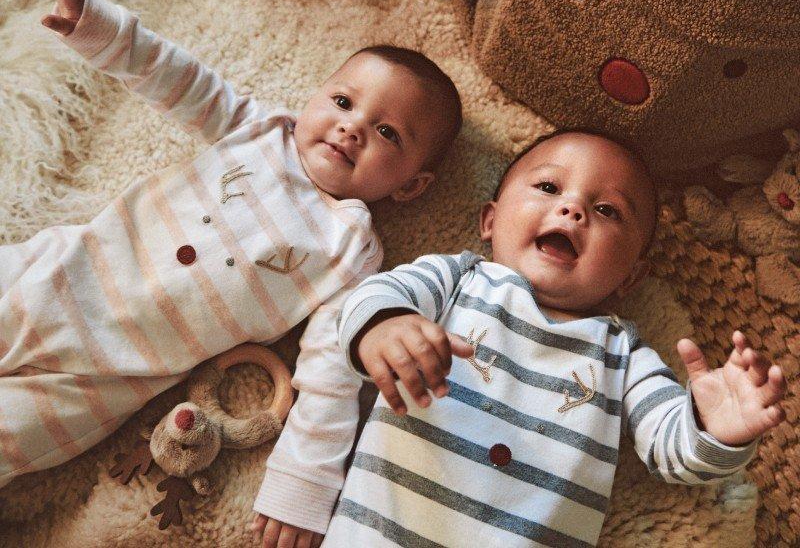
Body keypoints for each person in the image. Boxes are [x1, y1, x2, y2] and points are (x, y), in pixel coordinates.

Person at [6, 0, 460, 535]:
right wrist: (99, 26)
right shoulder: (258, 130)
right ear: (315, 97)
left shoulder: (351, 251)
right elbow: (178, 79)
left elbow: (329, 373)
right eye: (344, 103)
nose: (353, 128)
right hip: (55, 276)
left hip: (106, 380)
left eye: (388, 133)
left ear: (411, 186)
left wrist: (302, 485)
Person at [264, 129, 787, 547]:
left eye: (608, 211)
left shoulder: (623, 354)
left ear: (629, 278)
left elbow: (670, 452)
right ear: (490, 221)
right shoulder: (459, 280)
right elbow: (370, 298)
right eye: (548, 187)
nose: (573, 209)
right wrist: (386, 327)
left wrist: (716, 429)